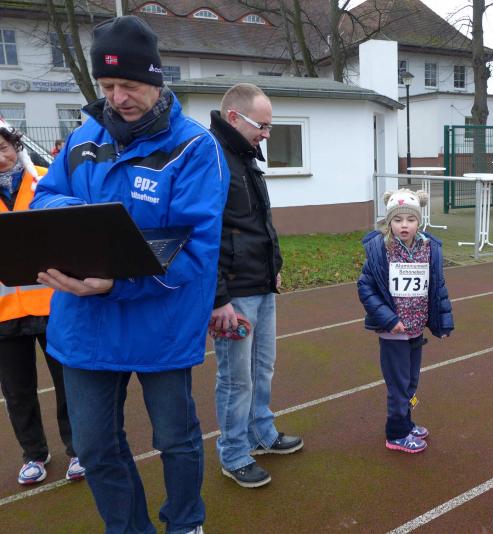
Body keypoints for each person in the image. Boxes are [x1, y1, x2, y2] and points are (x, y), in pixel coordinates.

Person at [30, 16, 229, 534]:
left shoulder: (195, 147)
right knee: (95, 447)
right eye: (107, 86)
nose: (117, 98)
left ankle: (184, 522)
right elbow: (43, 197)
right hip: (84, 323)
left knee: (176, 439)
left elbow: (196, 248)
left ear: (156, 79)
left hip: (160, 323)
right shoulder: (82, 137)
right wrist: (80, 218)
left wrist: (119, 281)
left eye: (129, 85)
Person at [208, 83, 303, 489]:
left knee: (262, 367)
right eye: (261, 126)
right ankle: (233, 452)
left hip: (260, 285)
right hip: (234, 294)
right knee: (236, 378)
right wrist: (218, 298)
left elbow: (260, 222)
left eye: (269, 127)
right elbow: (203, 234)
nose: (266, 134)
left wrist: (273, 267)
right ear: (234, 117)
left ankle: (261, 432)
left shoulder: (245, 157)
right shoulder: (211, 159)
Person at [0, 121, 85, 485]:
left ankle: (77, 448)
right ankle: (34, 453)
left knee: (68, 382)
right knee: (17, 391)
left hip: (53, 304)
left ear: (15, 147)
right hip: (4, 312)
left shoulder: (45, 180)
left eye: (3, 148)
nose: (0, 158)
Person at [357, 189, 454, 453]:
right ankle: (396, 433)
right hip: (393, 330)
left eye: (410, 220)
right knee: (398, 383)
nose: (404, 225)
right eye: (398, 220)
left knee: (411, 381)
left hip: (416, 328)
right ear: (389, 222)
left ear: (418, 222)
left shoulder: (427, 248)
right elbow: (366, 288)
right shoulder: (381, 250)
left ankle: (406, 422)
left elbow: (438, 287)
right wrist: (389, 320)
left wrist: (442, 321)